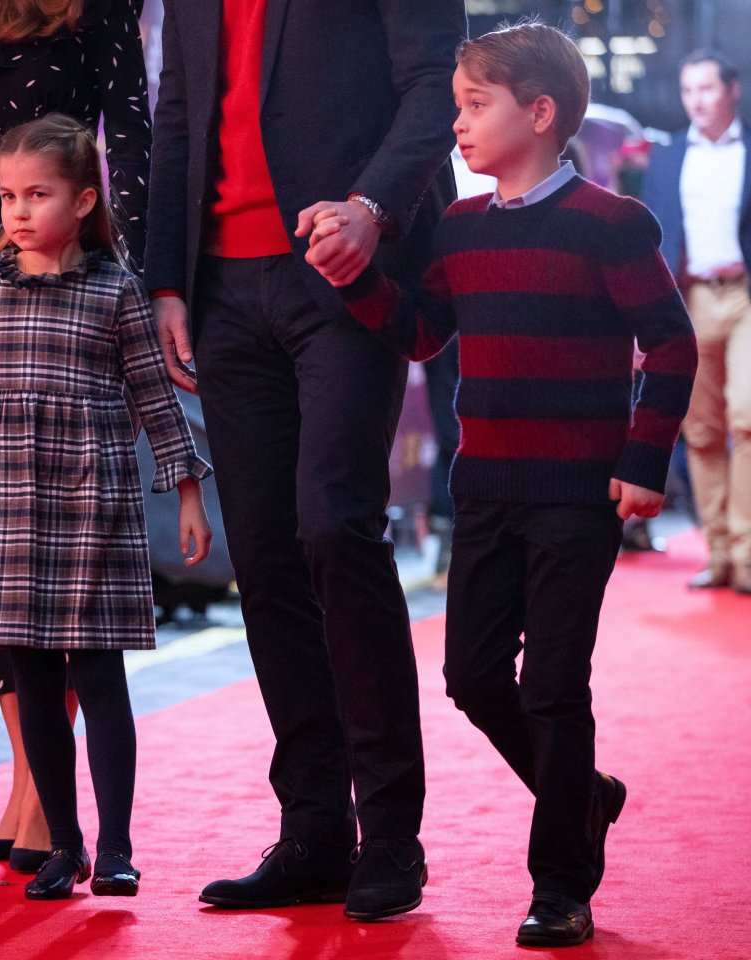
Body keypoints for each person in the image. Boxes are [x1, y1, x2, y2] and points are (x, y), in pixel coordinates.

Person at [336, 22, 698, 946]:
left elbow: (671, 343)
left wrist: (641, 463)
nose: (456, 125)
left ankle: (560, 887)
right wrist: (355, 278)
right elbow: (422, 335)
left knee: (553, 687)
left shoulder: (615, 224)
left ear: (539, 114)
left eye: (473, 105)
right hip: (487, 492)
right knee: (470, 675)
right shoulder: (458, 229)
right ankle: (586, 793)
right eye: (457, 104)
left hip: (579, 497)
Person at [145, 0, 462, 921]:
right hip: (220, 284)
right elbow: (178, 108)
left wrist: (374, 205)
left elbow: (434, 84)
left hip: (342, 261)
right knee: (269, 556)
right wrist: (167, 278)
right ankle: (315, 831)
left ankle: (393, 835)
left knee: (334, 526)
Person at [0, 114, 212, 901]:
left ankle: (119, 846)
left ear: (84, 198)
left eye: (38, 194)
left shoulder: (116, 292)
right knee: (29, 682)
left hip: (89, 506)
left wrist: (190, 491)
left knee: (99, 680)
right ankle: (63, 847)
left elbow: (155, 399)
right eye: (7, 196)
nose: (19, 211)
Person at [642, 49, 751, 594]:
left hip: (746, 296)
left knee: (748, 417)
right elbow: (651, 243)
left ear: (732, 89)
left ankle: (748, 552)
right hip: (691, 302)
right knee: (701, 430)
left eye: (707, 89)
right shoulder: (666, 158)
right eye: (688, 91)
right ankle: (721, 553)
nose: (697, 101)